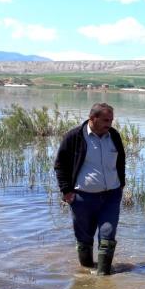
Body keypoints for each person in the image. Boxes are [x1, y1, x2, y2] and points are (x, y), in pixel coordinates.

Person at [54, 103, 125, 275]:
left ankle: (103, 277)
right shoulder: (74, 137)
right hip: (83, 198)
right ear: (92, 118)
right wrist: (66, 190)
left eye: (111, 120)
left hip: (111, 196)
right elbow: (60, 165)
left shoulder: (114, 136)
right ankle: (85, 275)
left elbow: (121, 161)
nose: (109, 123)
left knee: (108, 235)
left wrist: (121, 184)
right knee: (84, 239)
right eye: (106, 120)